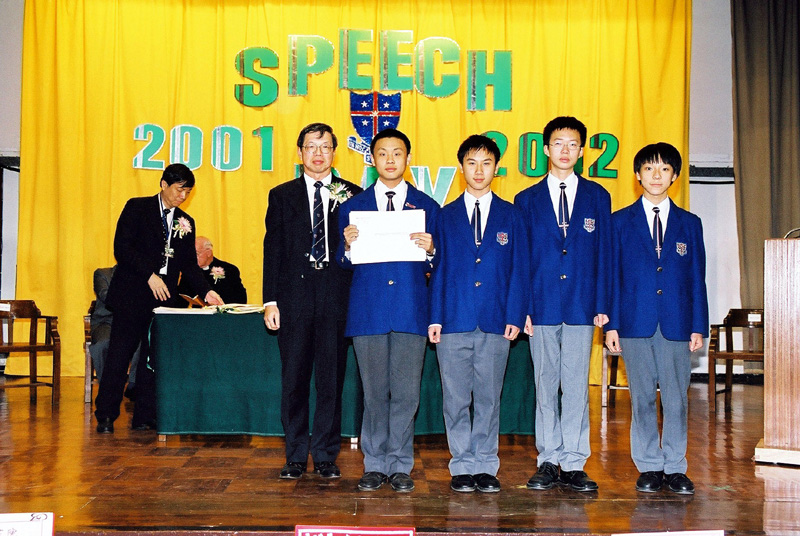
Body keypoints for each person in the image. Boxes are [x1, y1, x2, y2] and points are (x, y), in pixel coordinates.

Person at [337, 128, 439, 493]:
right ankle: (374, 463)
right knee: (374, 392)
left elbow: (440, 264)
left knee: (407, 394)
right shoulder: (352, 207)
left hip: (411, 311)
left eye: (397, 153)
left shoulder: (427, 206)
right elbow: (342, 263)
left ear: (408, 159)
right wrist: (347, 247)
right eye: (383, 153)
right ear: (373, 159)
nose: (390, 160)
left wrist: (432, 250)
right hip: (369, 313)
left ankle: (399, 463)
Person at [604, 142, 708, 495]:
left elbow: (697, 278)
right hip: (634, 323)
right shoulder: (619, 222)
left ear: (674, 176)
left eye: (664, 169)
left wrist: (698, 326)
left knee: (676, 399)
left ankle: (676, 466)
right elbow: (612, 277)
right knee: (643, 397)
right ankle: (649, 464)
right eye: (649, 168)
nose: (656, 175)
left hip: (677, 324)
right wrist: (612, 325)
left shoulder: (690, 224)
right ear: (638, 175)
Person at [514, 116, 611, 492]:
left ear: (582, 151)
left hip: (582, 305)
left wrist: (602, 302)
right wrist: (522, 306)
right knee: (545, 382)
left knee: (575, 384)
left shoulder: (598, 196)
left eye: (573, 144)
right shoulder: (526, 199)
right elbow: (521, 260)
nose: (565, 150)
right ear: (545, 149)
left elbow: (603, 253)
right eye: (558, 143)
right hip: (540, 305)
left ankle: (573, 461)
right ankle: (548, 459)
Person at [428, 135, 528, 494]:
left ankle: (486, 464)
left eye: (486, 163)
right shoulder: (445, 215)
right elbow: (438, 270)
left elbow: (519, 269)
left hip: (496, 321)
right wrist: (435, 317)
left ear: (496, 168)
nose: (479, 170)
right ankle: (461, 464)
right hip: (453, 320)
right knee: (456, 398)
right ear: (461, 168)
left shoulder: (511, 215)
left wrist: (515, 314)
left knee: (488, 397)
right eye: (472, 163)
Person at [263, 123, 361, 480]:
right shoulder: (281, 195)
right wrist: (270, 301)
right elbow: (273, 250)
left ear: (334, 152)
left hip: (336, 297)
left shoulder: (353, 194)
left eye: (325, 147)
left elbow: (362, 254)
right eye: (311, 147)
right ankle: (294, 455)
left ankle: (324, 455)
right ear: (300, 152)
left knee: (330, 380)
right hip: (294, 299)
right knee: (294, 379)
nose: (318, 154)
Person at [94, 163, 223, 434]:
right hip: (133, 294)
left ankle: (145, 415)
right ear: (164, 184)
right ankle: (106, 414)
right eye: (179, 189)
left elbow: (188, 265)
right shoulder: (137, 208)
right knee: (119, 355)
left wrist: (206, 291)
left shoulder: (186, 222)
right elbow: (122, 249)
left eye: (188, 192)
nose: (183, 196)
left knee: (153, 360)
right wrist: (149, 275)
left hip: (163, 299)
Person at [90, 265, 141, 398]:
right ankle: (107, 387)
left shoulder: (141, 276)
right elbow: (105, 295)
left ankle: (133, 384)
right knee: (102, 344)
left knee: (141, 341)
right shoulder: (102, 274)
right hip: (105, 322)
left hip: (130, 323)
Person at [177, 236, 247, 304]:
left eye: (197, 254)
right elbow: (182, 298)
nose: (194, 258)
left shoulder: (229, 270)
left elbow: (241, 298)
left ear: (208, 253)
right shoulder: (189, 272)